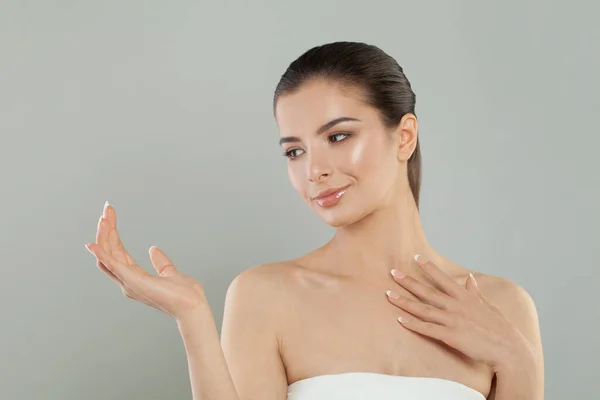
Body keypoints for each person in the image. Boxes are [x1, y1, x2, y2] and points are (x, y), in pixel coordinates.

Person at [84, 41, 544, 400]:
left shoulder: (502, 306)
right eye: (294, 151)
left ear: (403, 136)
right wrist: (191, 318)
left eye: (338, 136)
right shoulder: (266, 295)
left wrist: (515, 360)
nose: (313, 170)